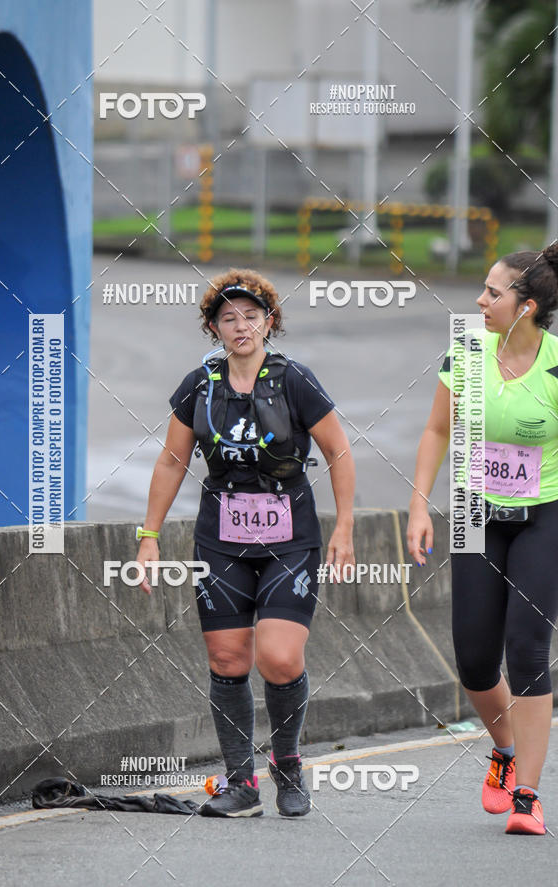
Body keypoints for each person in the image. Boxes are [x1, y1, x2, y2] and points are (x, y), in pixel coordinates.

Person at [136, 268, 355, 818]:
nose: (241, 326)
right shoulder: (199, 384)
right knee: (228, 657)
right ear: (213, 327)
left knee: (279, 657)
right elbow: (172, 460)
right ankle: (241, 783)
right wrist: (149, 537)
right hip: (221, 541)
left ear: (269, 322)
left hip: (290, 540)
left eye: (251, 316)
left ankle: (288, 765)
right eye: (228, 318)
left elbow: (338, 451)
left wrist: (345, 527)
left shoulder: (295, 380)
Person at [407, 245, 558, 836]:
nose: (480, 300)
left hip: (543, 515)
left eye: (494, 293)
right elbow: (436, 430)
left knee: (527, 649)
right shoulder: (467, 350)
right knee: (474, 659)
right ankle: (506, 748)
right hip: (475, 512)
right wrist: (419, 505)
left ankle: (528, 796)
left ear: (527, 307)